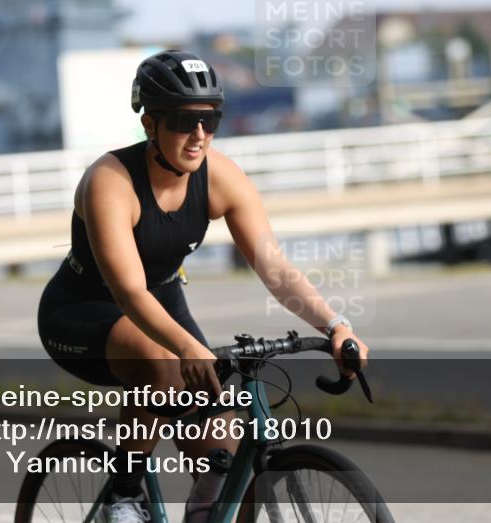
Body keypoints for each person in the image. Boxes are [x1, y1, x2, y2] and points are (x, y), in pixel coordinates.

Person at [38, 49, 369, 522]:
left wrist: (336, 325)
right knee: (163, 362)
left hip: (164, 303)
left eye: (210, 119)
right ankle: (124, 495)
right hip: (84, 310)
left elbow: (274, 267)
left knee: (225, 452)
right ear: (150, 123)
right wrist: (188, 348)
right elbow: (131, 293)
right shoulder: (110, 181)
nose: (199, 135)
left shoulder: (221, 176)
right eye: (182, 120)